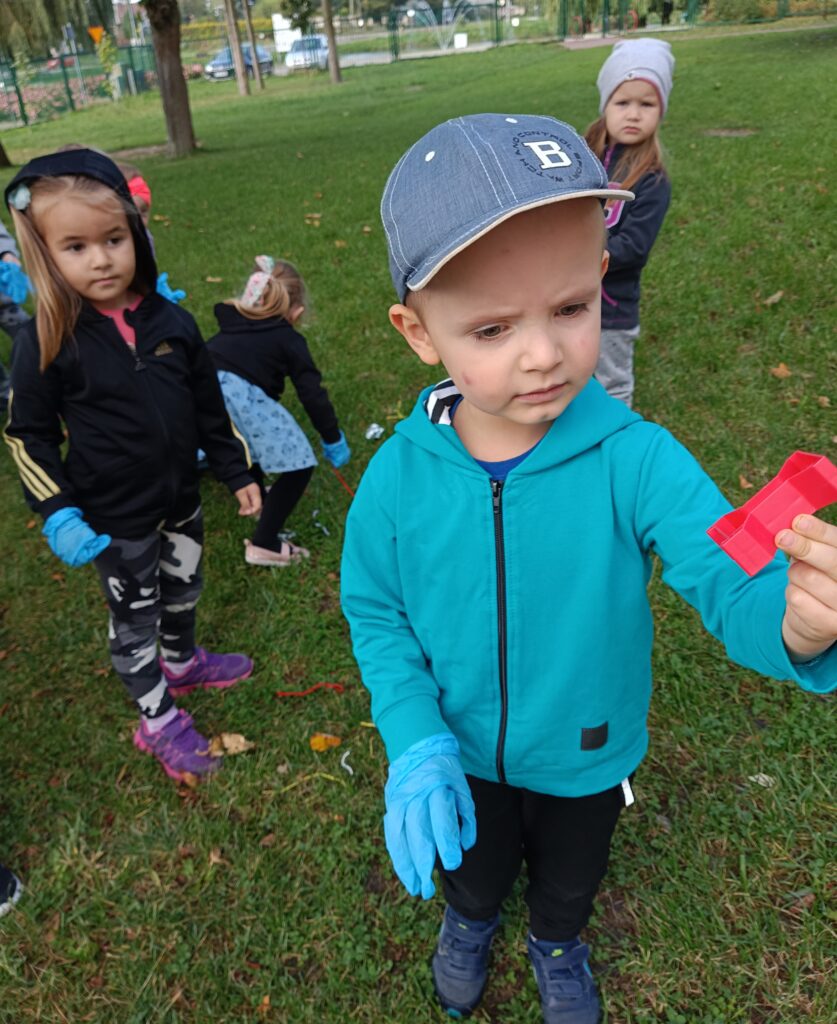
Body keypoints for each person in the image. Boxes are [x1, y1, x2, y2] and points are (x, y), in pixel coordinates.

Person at [340, 114, 837, 1024]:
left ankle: (556, 941)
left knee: (572, 874)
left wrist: (792, 626)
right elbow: (377, 613)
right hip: (457, 752)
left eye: (569, 309)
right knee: (474, 871)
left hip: (588, 751)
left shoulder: (636, 459)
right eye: (490, 328)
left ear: (600, 281)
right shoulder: (395, 479)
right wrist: (413, 737)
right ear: (418, 332)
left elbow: (726, 572)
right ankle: (472, 924)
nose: (541, 354)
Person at [3, 149, 262, 784]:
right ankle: (158, 721)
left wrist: (237, 469)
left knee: (185, 590)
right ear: (44, 252)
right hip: (113, 521)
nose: (100, 259)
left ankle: (183, 660)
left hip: (181, 503)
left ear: (135, 235)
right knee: (135, 619)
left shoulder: (171, 320)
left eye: (113, 239)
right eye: (76, 246)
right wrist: (59, 511)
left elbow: (208, 406)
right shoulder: (46, 339)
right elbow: (26, 434)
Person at [206, 256, 350, 567]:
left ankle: (255, 492)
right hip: (236, 398)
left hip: (198, 396)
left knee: (244, 440)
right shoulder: (287, 338)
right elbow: (312, 394)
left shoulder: (228, 329)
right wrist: (332, 437)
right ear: (295, 311)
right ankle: (264, 544)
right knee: (298, 463)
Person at [584, 38, 675, 407]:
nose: (634, 114)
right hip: (568, 297)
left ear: (661, 110)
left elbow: (634, 248)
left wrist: (578, 257)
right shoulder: (583, 155)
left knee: (612, 383)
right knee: (569, 373)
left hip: (612, 307)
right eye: (623, 102)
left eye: (646, 104)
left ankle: (616, 447)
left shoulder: (652, 180)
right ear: (606, 104)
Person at [0, 217, 32, 416]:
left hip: (4, 303)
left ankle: (53, 374)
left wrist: (6, 253)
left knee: (29, 336)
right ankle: (4, 394)